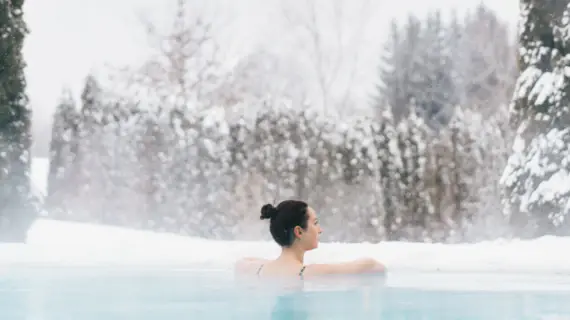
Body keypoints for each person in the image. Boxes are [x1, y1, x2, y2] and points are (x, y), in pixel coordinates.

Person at [234, 200, 386, 280]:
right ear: (299, 231)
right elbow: (371, 265)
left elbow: (241, 262)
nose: (320, 230)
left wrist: (274, 264)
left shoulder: (257, 269)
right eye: (315, 223)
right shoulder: (309, 273)